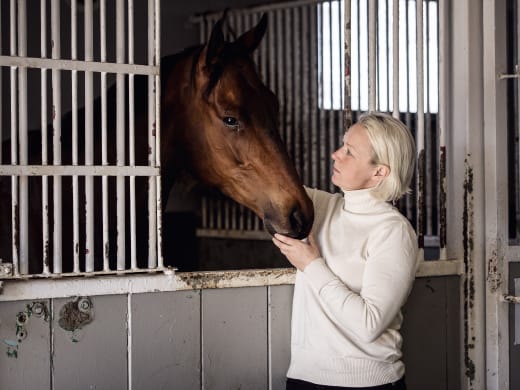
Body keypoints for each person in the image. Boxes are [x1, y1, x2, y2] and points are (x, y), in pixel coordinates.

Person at [272, 112, 419, 390]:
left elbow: (369, 324)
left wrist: (312, 265)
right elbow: (267, 189)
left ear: (380, 172)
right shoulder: (322, 206)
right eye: (342, 145)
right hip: (304, 377)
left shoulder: (392, 231)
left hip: (366, 384)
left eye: (349, 152)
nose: (335, 154)